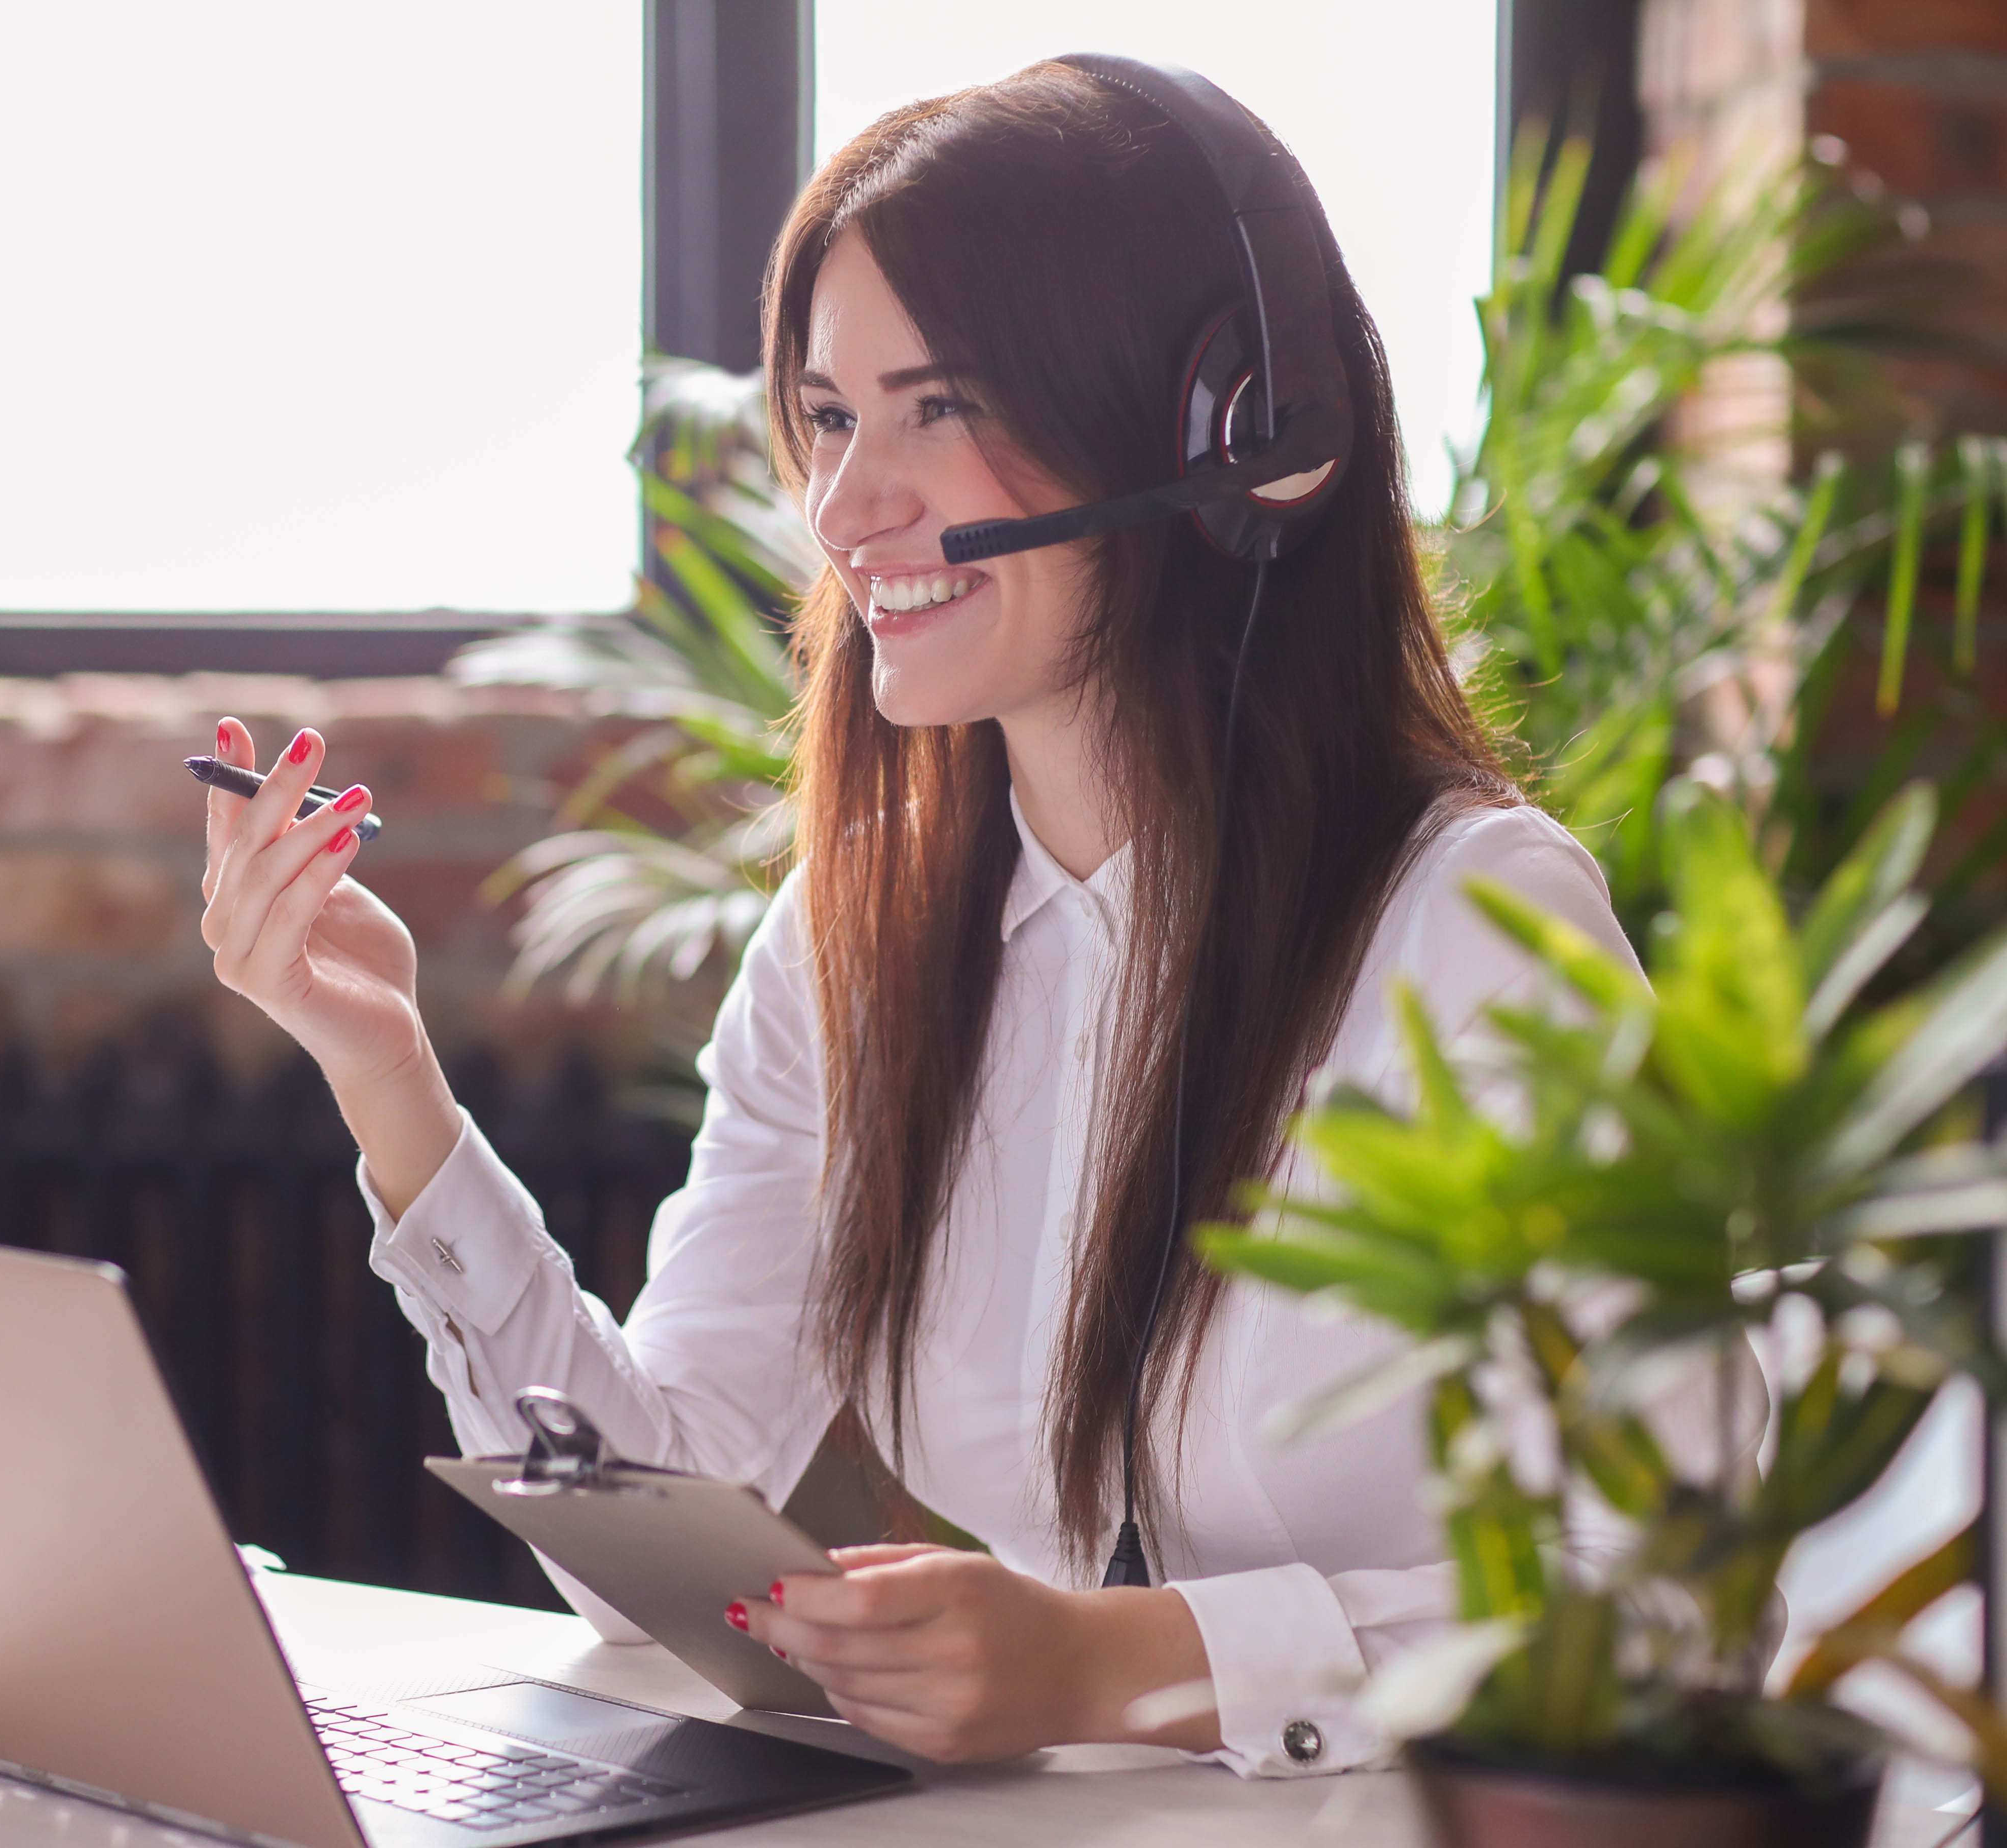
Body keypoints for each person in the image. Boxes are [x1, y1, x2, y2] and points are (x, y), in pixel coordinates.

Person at [197, 60, 1639, 1778]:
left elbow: (1655, 1612)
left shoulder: (1472, 926)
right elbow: (655, 1515)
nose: (842, 507)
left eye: (938, 404)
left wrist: (1125, 1668)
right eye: (827, 416)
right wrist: (394, 1096)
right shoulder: (855, 934)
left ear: (1224, 439)